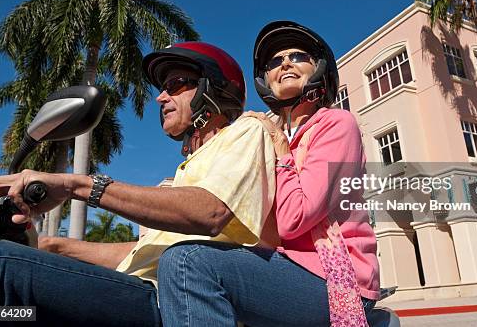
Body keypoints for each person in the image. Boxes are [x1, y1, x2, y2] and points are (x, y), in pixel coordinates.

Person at [0, 42, 277, 326]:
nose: (160, 97)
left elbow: (211, 212)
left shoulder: (244, 132)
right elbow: (145, 252)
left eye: (175, 85)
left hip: (169, 302)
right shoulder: (182, 173)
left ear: (213, 89)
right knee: (5, 313)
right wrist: (51, 246)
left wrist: (76, 186)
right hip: (133, 294)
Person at [156, 21, 381, 326]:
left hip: (335, 278)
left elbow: (295, 219)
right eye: (275, 62)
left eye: (298, 56)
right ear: (265, 80)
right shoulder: (262, 132)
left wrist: (282, 151)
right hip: (283, 268)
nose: (286, 63)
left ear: (319, 69)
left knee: (188, 261)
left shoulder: (336, 124)